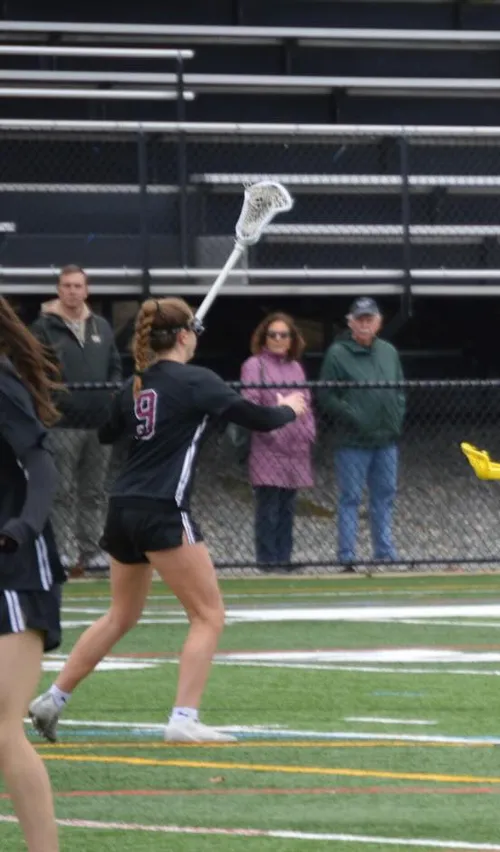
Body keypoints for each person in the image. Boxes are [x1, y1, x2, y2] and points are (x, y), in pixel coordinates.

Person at [28, 298, 308, 745]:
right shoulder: (197, 380)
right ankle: (183, 718)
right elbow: (258, 419)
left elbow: (107, 432)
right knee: (208, 614)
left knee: (121, 615)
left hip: (123, 508)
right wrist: (292, 406)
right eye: (192, 332)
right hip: (162, 508)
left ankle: (53, 699)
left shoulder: (135, 385)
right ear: (182, 336)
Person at [0, 296, 64, 852]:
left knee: (2, 724)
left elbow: (42, 468)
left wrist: (22, 527)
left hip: (15, 569)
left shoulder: (2, 386)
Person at [29, 265, 122, 576]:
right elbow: (35, 370)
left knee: (93, 492)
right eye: (66, 286)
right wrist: (53, 401)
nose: (72, 291)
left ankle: (91, 552)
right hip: (63, 424)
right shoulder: (42, 328)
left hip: (98, 424)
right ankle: (61, 552)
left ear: (86, 290)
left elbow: (115, 366)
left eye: (77, 286)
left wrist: (111, 394)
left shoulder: (102, 327)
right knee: (60, 491)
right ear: (58, 290)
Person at [317, 297, 405, 571]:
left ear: (378, 322)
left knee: (385, 495)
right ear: (351, 322)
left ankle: (384, 550)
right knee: (350, 497)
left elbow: (400, 388)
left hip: (386, 439)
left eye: (370, 319)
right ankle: (347, 555)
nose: (365, 324)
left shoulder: (388, 351)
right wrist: (353, 416)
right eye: (360, 319)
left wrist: (396, 416)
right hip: (353, 441)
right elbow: (326, 395)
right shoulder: (337, 353)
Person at [240, 313, 316, 570]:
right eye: (273, 334)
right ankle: (267, 561)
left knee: (287, 508)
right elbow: (250, 402)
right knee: (268, 508)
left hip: (296, 448)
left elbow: (306, 402)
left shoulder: (296, 367)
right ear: (264, 337)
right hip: (268, 447)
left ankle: (284, 558)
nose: (278, 339)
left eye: (284, 335)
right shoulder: (254, 365)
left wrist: (308, 432)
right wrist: (274, 418)